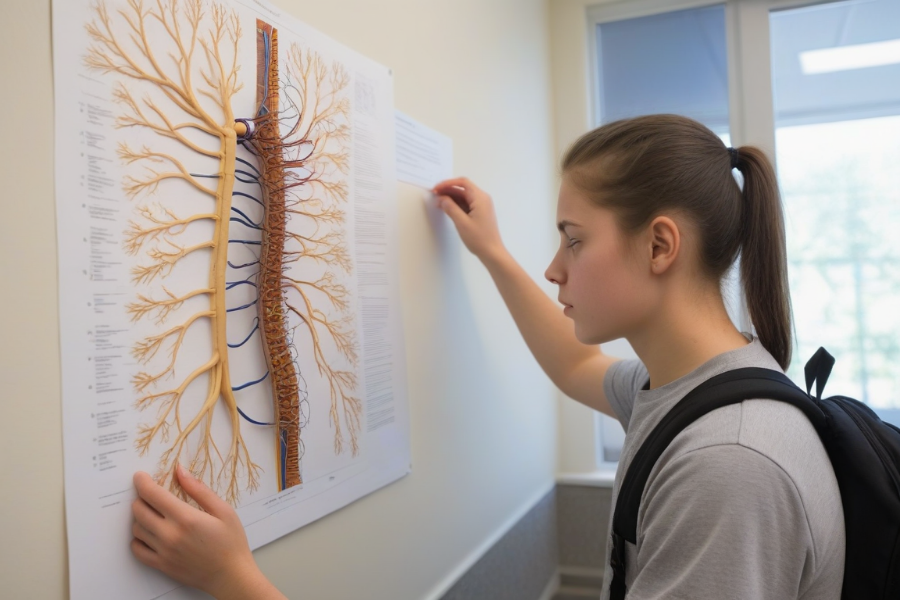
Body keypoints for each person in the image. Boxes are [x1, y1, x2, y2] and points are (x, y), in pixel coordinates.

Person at [132, 114, 845, 599]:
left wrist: (234, 580)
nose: (555, 269)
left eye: (573, 238)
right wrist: (491, 252)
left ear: (660, 246)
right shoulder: (694, 389)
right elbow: (576, 368)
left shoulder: (729, 463)